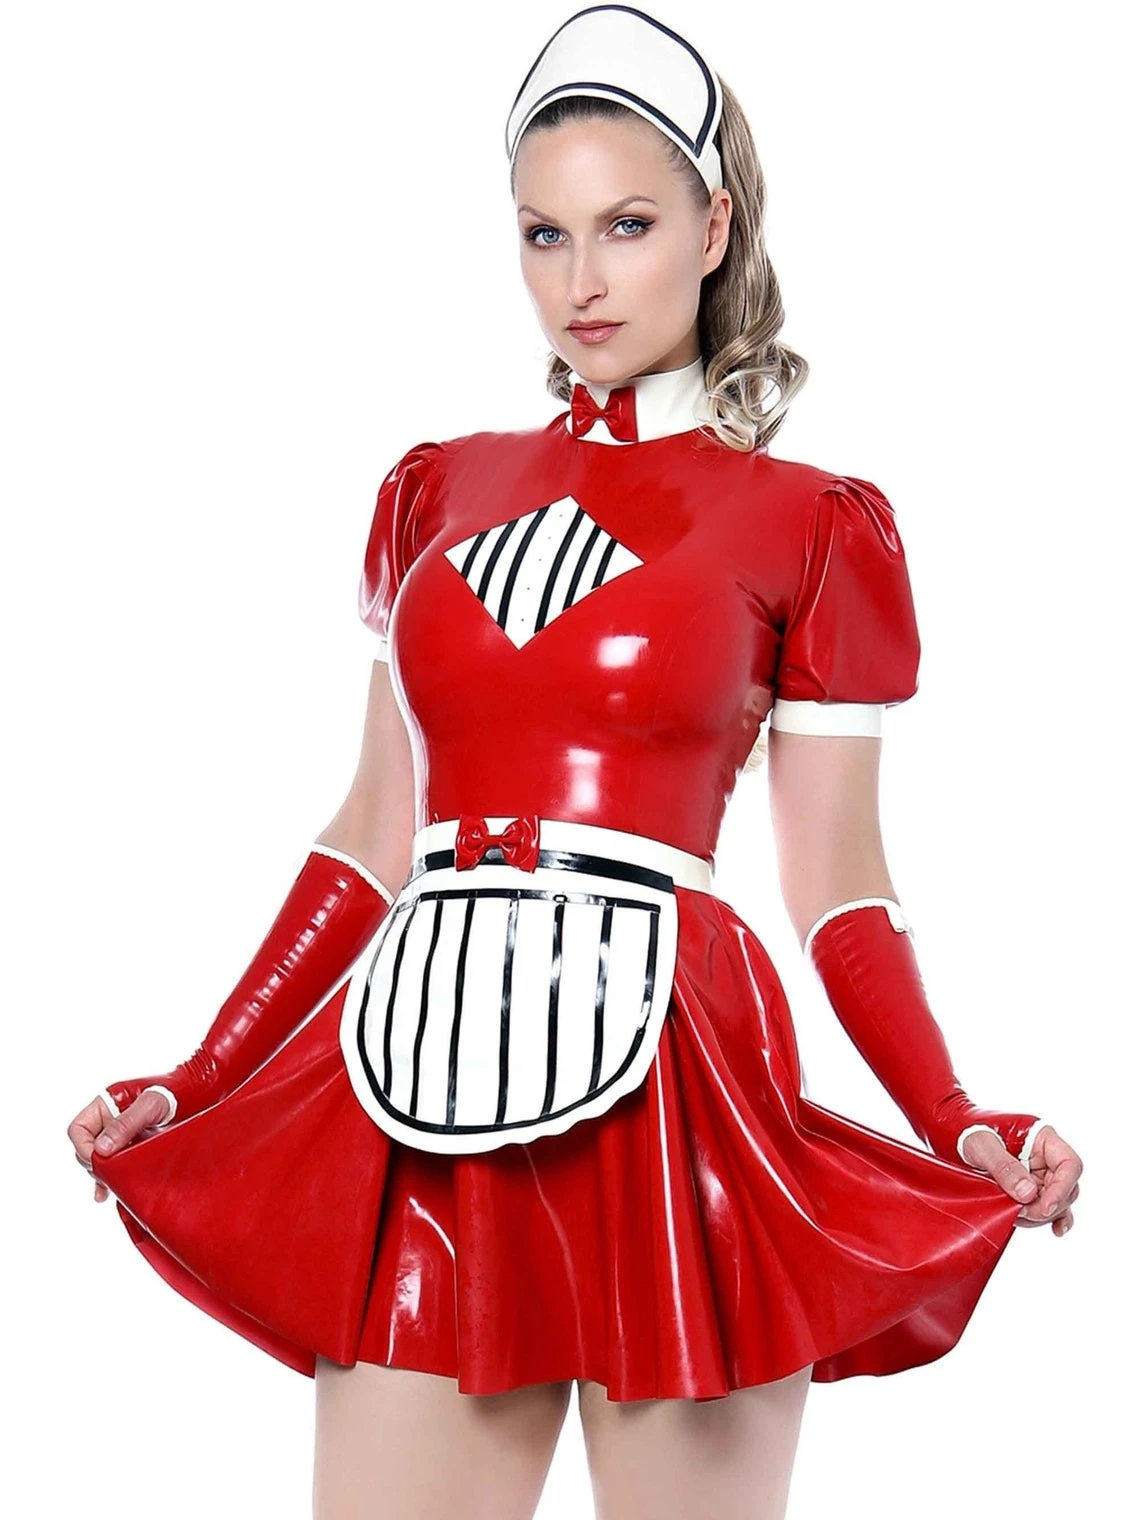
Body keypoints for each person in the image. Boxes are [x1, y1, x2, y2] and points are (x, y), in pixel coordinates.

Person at [69, 6, 1082, 1517]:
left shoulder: (813, 522)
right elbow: (373, 831)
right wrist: (203, 1074)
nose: (582, 281)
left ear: (714, 226)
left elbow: (839, 883)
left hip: (680, 1087)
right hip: (422, 1067)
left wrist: (953, 1115)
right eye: (544, 235)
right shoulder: (433, 492)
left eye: (627, 225)